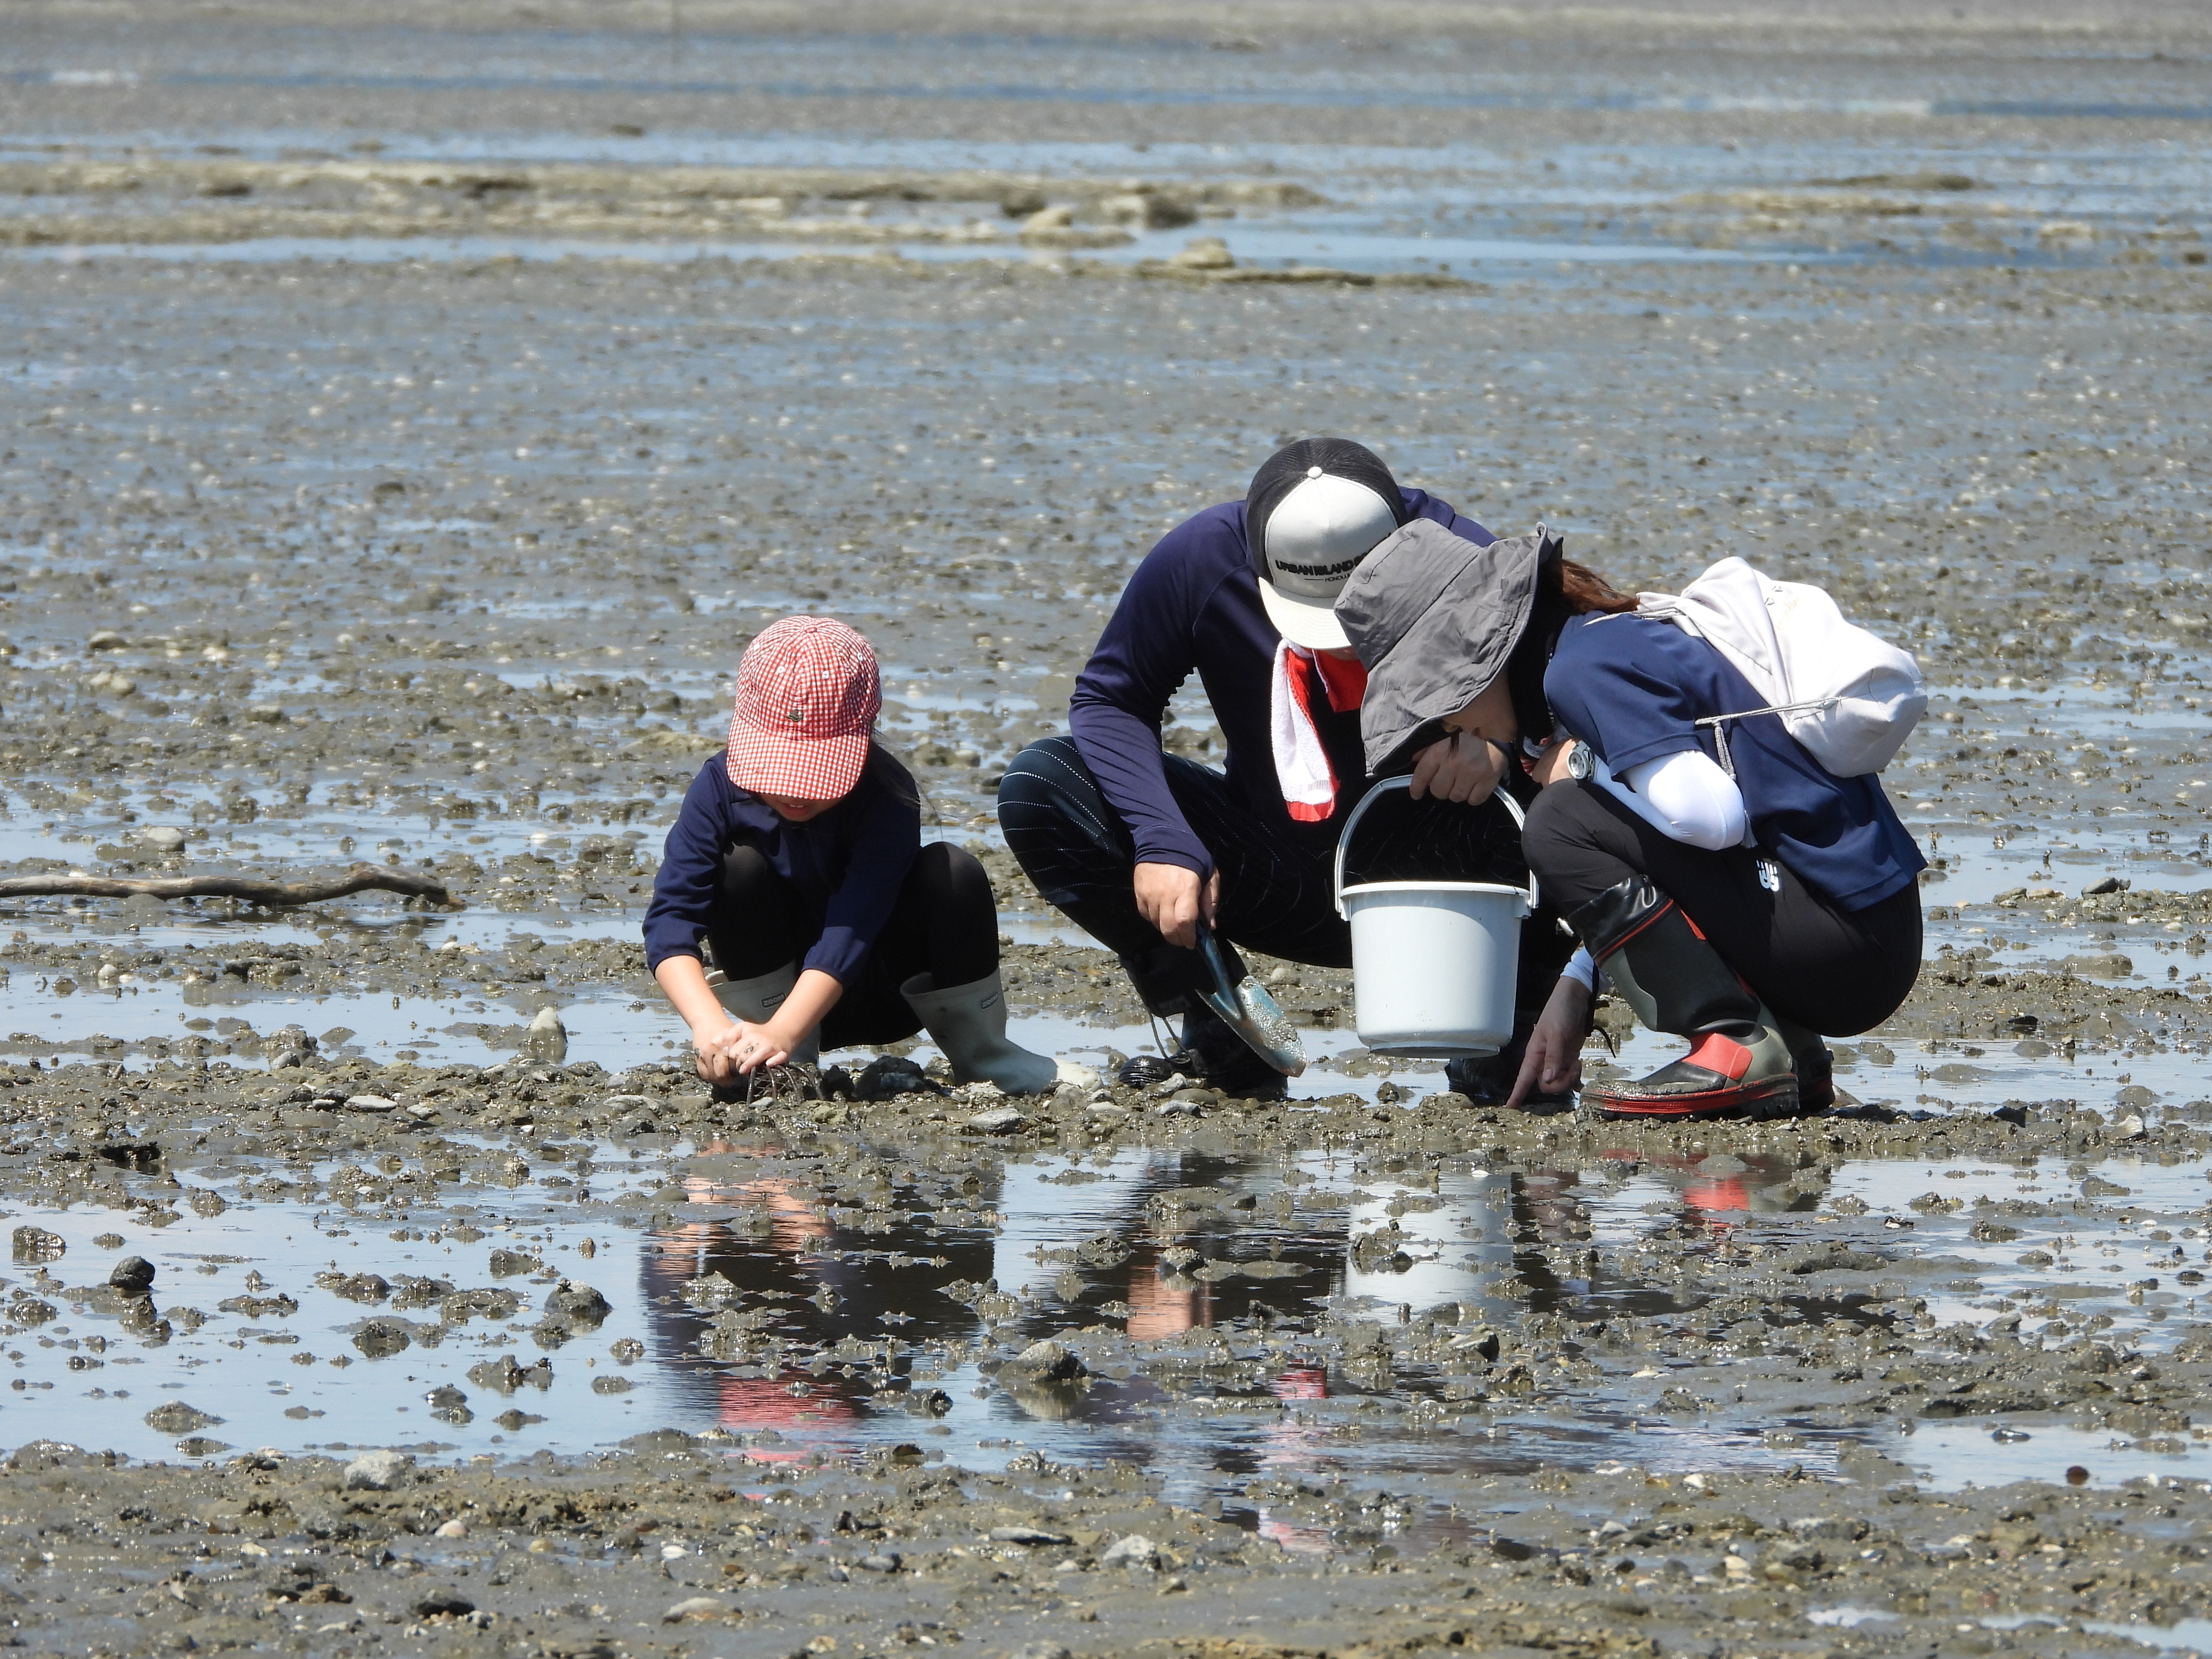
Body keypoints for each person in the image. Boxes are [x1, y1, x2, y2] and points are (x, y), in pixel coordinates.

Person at [999, 437, 1569, 1099]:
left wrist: (1501, 745)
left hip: (1454, 889)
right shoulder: (1201, 558)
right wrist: (1163, 840)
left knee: (1569, 810)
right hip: (1283, 868)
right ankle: (1224, 1029)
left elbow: (1570, 720)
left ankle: (1512, 1034)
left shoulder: (1465, 557)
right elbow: (1110, 699)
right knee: (1044, 785)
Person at [1335, 520, 1924, 1118]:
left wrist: (1587, 767)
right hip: (1860, 930)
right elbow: (1674, 852)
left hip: (1846, 949)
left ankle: (1738, 1045)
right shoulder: (1595, 645)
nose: (1448, 729)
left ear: (1475, 654)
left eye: (1439, 709)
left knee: (1559, 820)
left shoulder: (1581, 668)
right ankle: (1793, 1055)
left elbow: (1712, 818)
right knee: (1577, 810)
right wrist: (1578, 982)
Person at [644, 614, 1059, 1096]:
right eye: (780, 767)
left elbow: (853, 924)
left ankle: (985, 1057)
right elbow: (671, 919)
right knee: (737, 869)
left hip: (890, 988)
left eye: (814, 772)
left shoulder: (888, 796)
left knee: (953, 869)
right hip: (773, 999)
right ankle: (784, 1064)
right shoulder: (719, 787)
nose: (796, 794)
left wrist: (785, 1029)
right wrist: (711, 1028)